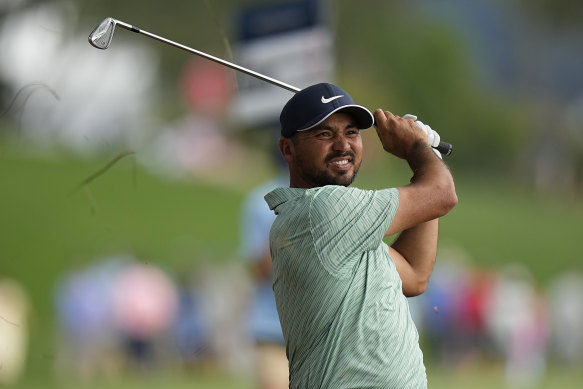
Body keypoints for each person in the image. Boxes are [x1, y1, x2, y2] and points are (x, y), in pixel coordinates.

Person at [264, 83, 457, 388]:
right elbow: (442, 195)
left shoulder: (345, 228)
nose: (343, 145)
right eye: (324, 134)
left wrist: (426, 154)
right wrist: (416, 149)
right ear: (288, 149)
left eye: (351, 132)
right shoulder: (322, 211)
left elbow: (414, 273)